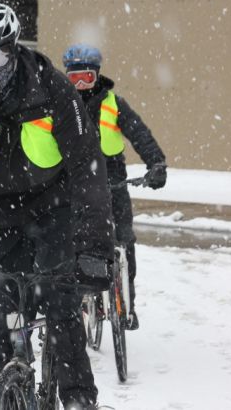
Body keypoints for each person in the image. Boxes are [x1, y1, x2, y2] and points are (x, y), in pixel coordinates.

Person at [0, 2, 115, 409]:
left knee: (61, 307)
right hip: (1, 212)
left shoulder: (54, 91)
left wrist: (95, 251)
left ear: (13, 51)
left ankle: (80, 399)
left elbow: (88, 169)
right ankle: (7, 392)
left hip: (55, 208)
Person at [63, 43, 167, 330]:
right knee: (72, 243)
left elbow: (139, 133)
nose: (81, 85)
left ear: (97, 75)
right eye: (74, 79)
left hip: (112, 181)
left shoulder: (113, 104)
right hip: (75, 184)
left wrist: (155, 163)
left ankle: (126, 306)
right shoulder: (62, 105)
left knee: (123, 240)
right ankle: (78, 301)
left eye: (87, 77)